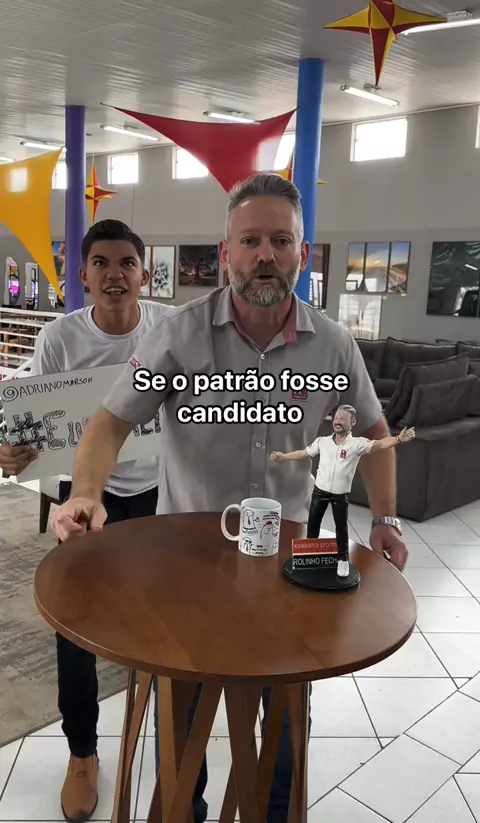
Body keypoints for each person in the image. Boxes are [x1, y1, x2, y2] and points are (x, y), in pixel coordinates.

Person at [52, 173, 408, 823]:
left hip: (293, 564)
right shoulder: (179, 336)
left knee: (286, 720)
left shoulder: (332, 344)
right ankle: (182, 810)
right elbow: (110, 423)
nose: (265, 254)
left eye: (280, 240)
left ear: (303, 253)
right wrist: (86, 493)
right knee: (181, 720)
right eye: (250, 240)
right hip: (187, 566)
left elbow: (376, 433)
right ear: (225, 253)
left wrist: (384, 518)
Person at [0, 219, 169, 823]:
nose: (114, 274)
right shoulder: (59, 337)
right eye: (101, 263)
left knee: (165, 621)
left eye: (127, 263)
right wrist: (13, 450)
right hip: (87, 495)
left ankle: (173, 740)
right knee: (73, 622)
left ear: (145, 275)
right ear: (83, 275)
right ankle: (81, 752)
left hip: (161, 491)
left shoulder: (169, 328)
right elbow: (30, 419)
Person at [271, 405, 415, 576]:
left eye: (343, 419)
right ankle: (308, 558)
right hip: (319, 492)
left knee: (341, 529)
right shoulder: (322, 442)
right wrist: (283, 457)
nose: (338, 422)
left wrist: (398, 439)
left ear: (352, 422)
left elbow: (380, 444)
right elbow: (303, 453)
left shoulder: (357, 444)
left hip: (339, 496)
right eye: (337, 418)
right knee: (313, 526)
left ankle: (342, 561)